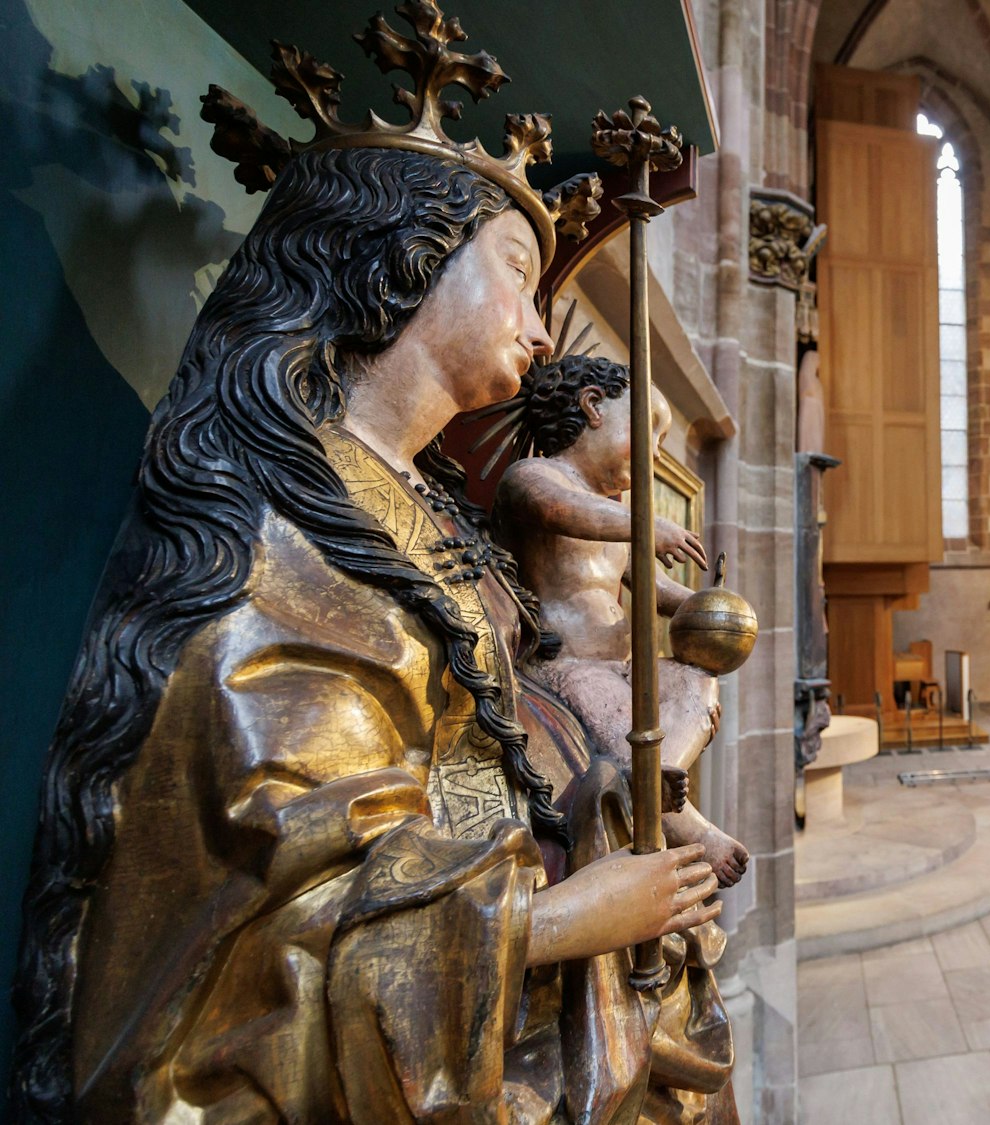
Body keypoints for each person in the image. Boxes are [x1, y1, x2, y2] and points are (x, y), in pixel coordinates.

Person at [13, 6, 734, 1121]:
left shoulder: (422, 501)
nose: (543, 331)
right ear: (405, 259)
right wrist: (568, 919)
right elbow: (276, 922)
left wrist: (608, 811)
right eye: (513, 272)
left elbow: (493, 726)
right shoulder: (281, 533)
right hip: (446, 1007)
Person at [493, 351, 751, 886]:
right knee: (619, 721)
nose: (655, 455)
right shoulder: (535, 477)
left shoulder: (617, 515)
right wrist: (643, 523)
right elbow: (562, 511)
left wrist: (708, 608)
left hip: (622, 664)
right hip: (565, 665)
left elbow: (653, 588)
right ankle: (693, 826)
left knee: (696, 682)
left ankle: (663, 773)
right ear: (592, 407)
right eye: (648, 432)